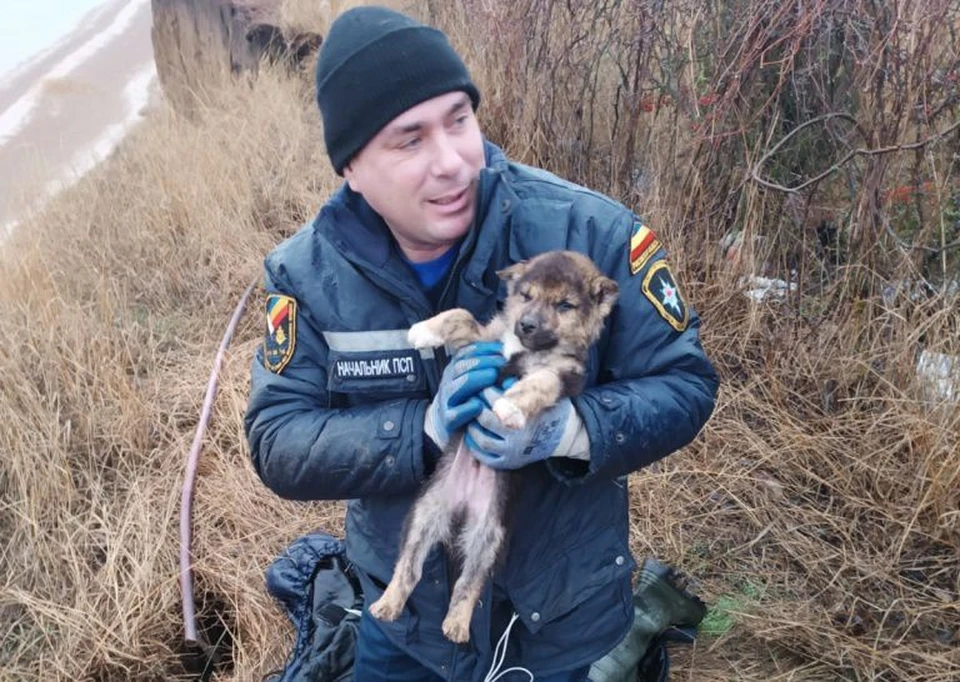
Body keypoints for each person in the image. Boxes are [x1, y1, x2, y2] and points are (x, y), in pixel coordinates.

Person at [244, 6, 719, 682]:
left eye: (459, 120)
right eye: (410, 140)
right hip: (402, 623)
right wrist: (423, 430)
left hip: (560, 620)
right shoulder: (306, 277)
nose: (453, 162)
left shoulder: (593, 233)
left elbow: (685, 383)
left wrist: (568, 429)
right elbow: (278, 439)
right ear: (351, 165)